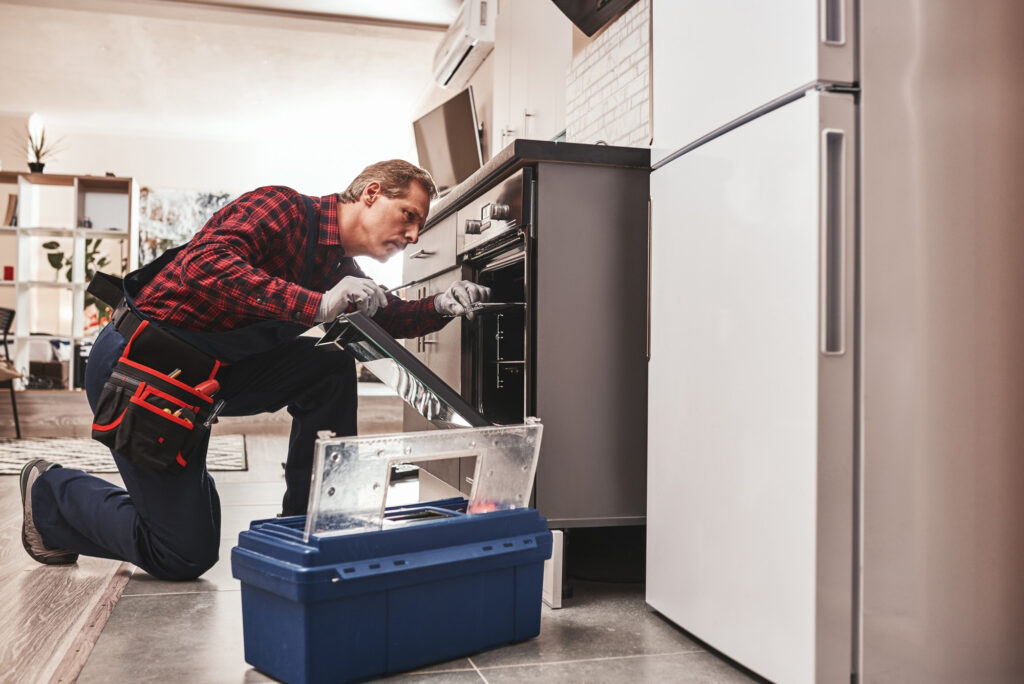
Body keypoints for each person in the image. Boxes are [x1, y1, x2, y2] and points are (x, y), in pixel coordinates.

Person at [18, 159, 490, 580]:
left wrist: (444, 304)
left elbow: (393, 318)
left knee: (329, 366)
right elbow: (204, 264)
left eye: (418, 227)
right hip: (140, 366)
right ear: (370, 193)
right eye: (408, 215)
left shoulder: (336, 267)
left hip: (205, 380)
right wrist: (317, 303)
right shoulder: (281, 208)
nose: (412, 235)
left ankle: (306, 526)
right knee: (183, 553)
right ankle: (50, 494)